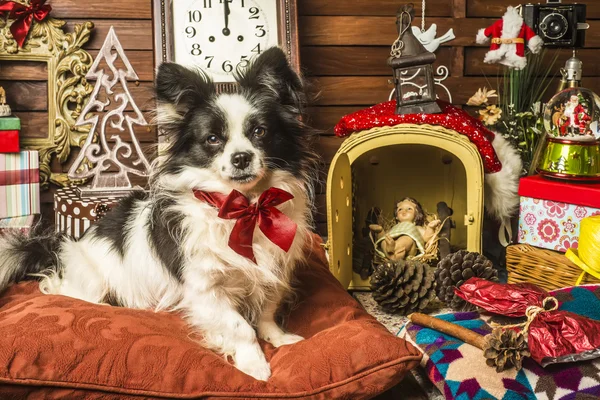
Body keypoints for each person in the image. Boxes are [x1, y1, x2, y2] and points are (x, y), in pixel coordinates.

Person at [370, 197, 440, 261]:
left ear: (416, 214)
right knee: (384, 239)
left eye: (409, 209)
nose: (404, 211)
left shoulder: (416, 227)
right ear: (396, 216)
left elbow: (426, 238)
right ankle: (390, 252)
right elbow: (386, 236)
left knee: (406, 239)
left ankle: (394, 248)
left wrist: (430, 228)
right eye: (400, 209)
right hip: (390, 245)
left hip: (408, 247)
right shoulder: (394, 228)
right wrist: (381, 233)